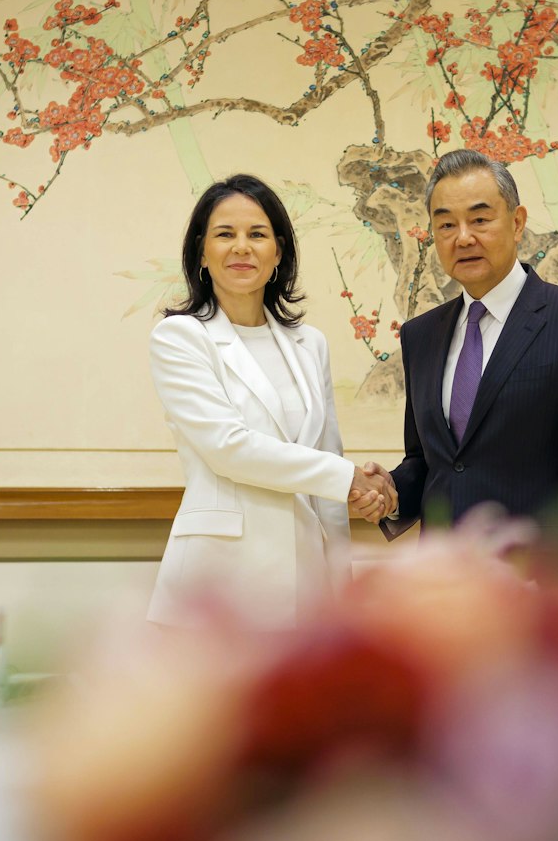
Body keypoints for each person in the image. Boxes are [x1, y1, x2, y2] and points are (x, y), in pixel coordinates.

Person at [358, 149, 558, 584]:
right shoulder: (421, 335)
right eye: (446, 224)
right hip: (441, 596)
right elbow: (432, 463)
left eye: (480, 219)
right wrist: (390, 492)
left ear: (518, 221)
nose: (462, 237)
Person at [147, 174, 389, 628]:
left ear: (278, 252)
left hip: (308, 587)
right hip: (219, 587)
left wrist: (341, 593)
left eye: (257, 234)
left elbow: (326, 459)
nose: (242, 247)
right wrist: (347, 477)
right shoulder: (180, 337)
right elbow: (228, 448)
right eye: (225, 234)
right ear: (202, 252)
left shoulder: (309, 343)